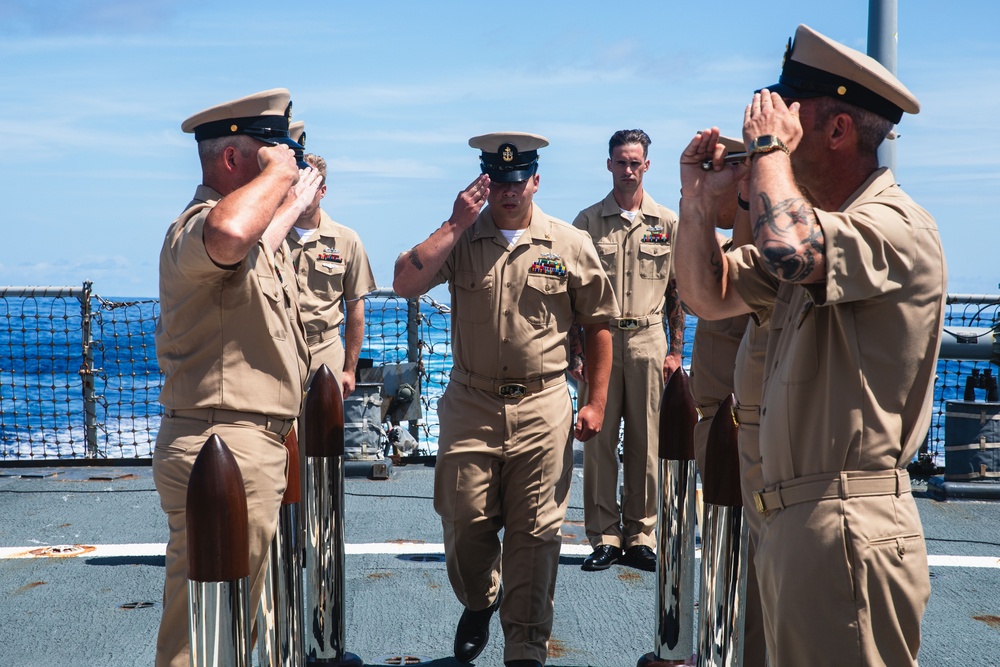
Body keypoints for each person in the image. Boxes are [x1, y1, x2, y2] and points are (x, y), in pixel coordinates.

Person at [675, 25, 947, 666]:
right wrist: (696, 204)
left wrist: (767, 151)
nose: (773, 131)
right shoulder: (818, 233)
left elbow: (790, 248)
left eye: (790, 116)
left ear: (837, 131)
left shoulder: (894, 227)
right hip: (791, 525)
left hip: (847, 530)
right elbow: (707, 297)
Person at [392, 132, 618, 667]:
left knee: (536, 534)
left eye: (519, 181)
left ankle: (525, 648)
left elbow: (599, 325)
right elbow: (405, 283)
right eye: (499, 182)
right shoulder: (462, 239)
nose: (510, 192)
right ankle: (480, 598)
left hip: (543, 404)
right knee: (465, 523)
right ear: (485, 183)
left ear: (535, 181)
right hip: (472, 403)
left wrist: (597, 401)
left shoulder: (568, 243)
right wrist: (453, 224)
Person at [152, 88, 321, 667]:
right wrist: (277, 175)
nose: (288, 160)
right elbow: (230, 235)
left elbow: (257, 241)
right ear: (231, 161)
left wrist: (294, 199)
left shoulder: (247, 243)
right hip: (222, 445)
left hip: (250, 444)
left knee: (248, 621)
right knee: (201, 633)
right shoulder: (198, 230)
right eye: (271, 151)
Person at [572, 129, 684, 572]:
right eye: (621, 161)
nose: (628, 169)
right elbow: (571, 295)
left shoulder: (666, 223)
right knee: (597, 440)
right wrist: (575, 353)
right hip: (600, 341)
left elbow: (676, 291)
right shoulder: (585, 222)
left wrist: (676, 351)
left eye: (635, 161)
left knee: (647, 442)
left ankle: (640, 534)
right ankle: (604, 536)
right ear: (609, 165)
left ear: (647, 165)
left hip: (648, 340)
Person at [687, 135, 767, 667]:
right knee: (717, 522)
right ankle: (716, 646)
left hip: (773, 412)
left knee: (764, 553)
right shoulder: (727, 221)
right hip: (721, 394)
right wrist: (705, 193)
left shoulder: (793, 218)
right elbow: (703, 293)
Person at [286, 150, 377, 399]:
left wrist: (350, 369)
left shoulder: (346, 240)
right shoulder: (268, 236)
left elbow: (355, 308)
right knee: (276, 436)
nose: (303, 192)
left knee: (322, 436)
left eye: (311, 185)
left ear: (323, 191)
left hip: (324, 350)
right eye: (298, 183)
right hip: (276, 350)